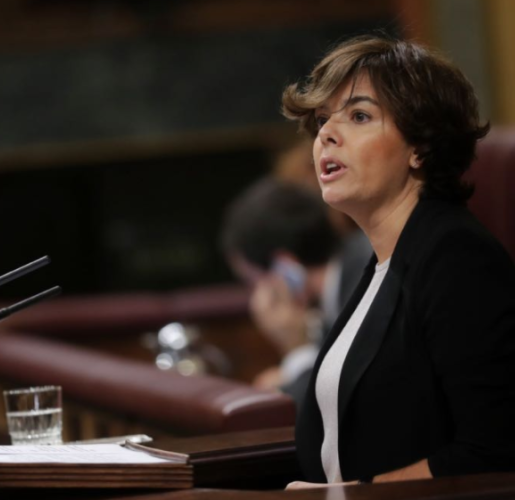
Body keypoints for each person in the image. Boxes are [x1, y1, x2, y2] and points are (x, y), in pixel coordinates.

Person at [280, 35, 515, 488]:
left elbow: (495, 450)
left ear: (419, 147)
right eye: (324, 119)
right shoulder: (383, 263)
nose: (326, 134)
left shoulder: (457, 257)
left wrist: (349, 496)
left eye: (359, 116)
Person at [220, 178, 370, 405]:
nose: (256, 297)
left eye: (253, 282)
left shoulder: (366, 286)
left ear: (285, 268)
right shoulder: (352, 270)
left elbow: (338, 406)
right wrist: (293, 375)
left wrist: (297, 350)